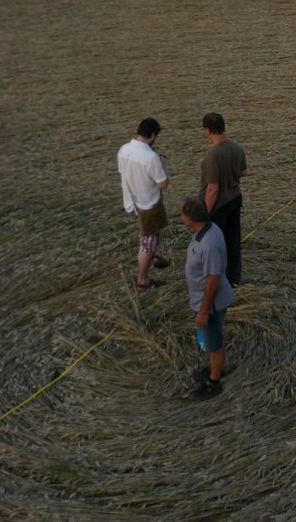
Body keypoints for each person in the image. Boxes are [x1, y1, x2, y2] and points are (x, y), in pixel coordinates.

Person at [181, 194, 235, 400]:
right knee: (213, 338)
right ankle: (216, 368)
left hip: (210, 304)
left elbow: (212, 279)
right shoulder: (207, 229)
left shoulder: (209, 244)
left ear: (190, 218)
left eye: (182, 214)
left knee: (214, 342)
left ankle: (214, 382)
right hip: (206, 301)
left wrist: (204, 311)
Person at [117, 117, 170, 290]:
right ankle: (143, 281)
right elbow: (164, 184)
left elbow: (126, 172)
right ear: (153, 134)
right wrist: (161, 163)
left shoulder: (124, 150)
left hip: (133, 202)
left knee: (152, 235)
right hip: (149, 205)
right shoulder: (151, 157)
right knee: (146, 243)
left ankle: (154, 256)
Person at [199, 112, 247, 288]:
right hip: (235, 200)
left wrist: (205, 213)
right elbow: (243, 172)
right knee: (233, 242)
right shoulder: (236, 147)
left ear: (207, 130)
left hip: (218, 206)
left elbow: (212, 189)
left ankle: (218, 282)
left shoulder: (213, 155)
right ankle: (234, 279)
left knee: (215, 245)